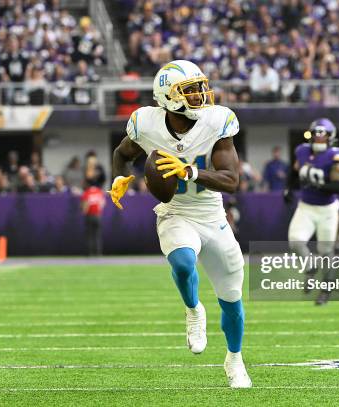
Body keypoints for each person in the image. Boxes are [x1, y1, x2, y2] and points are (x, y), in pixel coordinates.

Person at [108, 60, 251, 388]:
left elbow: (231, 181)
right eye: (190, 90)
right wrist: (118, 176)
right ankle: (193, 309)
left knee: (232, 299)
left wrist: (189, 171)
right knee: (184, 263)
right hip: (175, 212)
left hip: (212, 216)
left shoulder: (217, 122)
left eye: (201, 86)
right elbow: (122, 152)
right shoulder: (145, 123)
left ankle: (235, 359)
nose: (201, 94)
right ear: (167, 97)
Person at [283, 118, 339, 305]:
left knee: (326, 250)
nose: (319, 139)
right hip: (306, 206)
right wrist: (288, 188)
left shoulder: (335, 156)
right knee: (295, 242)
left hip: (327, 209)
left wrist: (318, 185)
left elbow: (338, 186)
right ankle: (311, 267)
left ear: (330, 138)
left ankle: (326, 288)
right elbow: (295, 171)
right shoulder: (302, 151)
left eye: (323, 136)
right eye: (316, 136)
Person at [80, 185, 106, 255]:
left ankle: (90, 252)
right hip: (97, 216)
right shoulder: (99, 192)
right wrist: (99, 211)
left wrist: (84, 212)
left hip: (90, 215)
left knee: (90, 235)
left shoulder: (87, 192)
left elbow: (85, 203)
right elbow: (103, 203)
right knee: (97, 235)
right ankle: (98, 252)